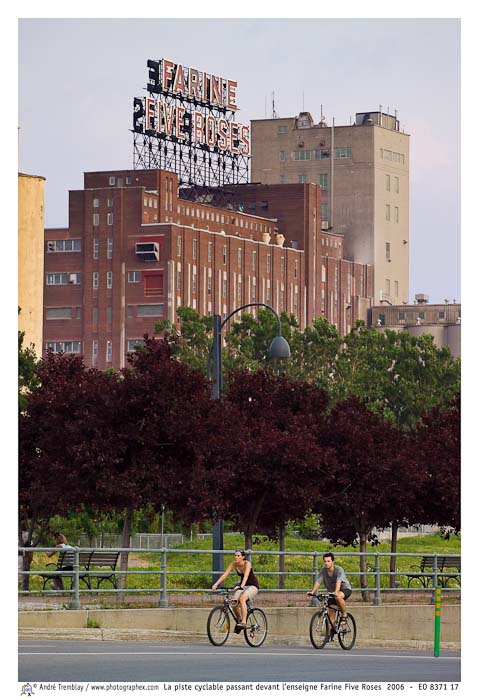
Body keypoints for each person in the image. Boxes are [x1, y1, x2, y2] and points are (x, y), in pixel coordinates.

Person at [211, 549, 259, 632]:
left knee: (242, 599)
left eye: (238, 556)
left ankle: (244, 622)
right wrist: (216, 584)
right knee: (234, 602)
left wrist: (241, 586)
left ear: (243, 557)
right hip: (242, 586)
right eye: (235, 555)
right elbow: (225, 575)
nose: (236, 557)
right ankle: (239, 621)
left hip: (252, 586)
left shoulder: (247, 563)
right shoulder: (234, 564)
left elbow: (246, 576)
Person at [308, 552, 352, 634]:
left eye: (328, 561)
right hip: (333, 592)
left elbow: (339, 581)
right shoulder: (323, 571)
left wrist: (336, 592)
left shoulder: (339, 570)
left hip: (345, 589)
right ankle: (329, 634)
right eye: (325, 561)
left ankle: (344, 615)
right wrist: (312, 591)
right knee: (331, 612)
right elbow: (318, 581)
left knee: (338, 597)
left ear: (332, 562)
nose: (326, 563)